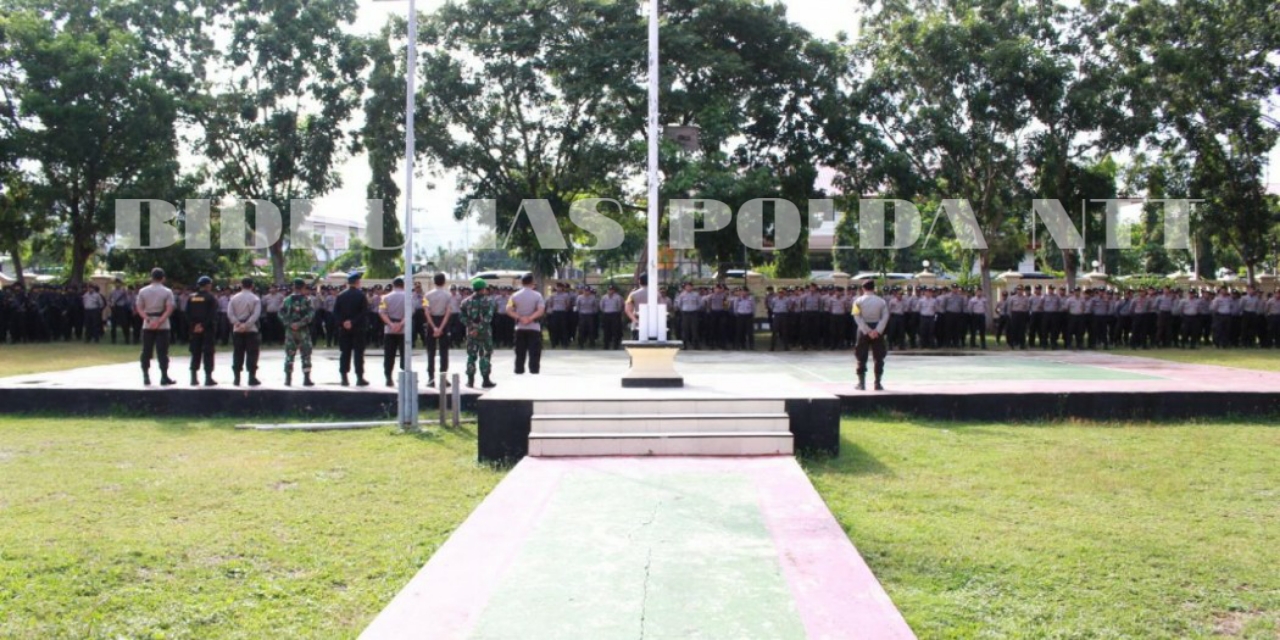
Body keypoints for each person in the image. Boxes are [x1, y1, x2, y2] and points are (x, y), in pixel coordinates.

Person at [135, 268, 177, 386]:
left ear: (151, 277)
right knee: (163, 352)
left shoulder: (143, 291)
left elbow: (139, 307)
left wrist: (147, 319)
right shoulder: (167, 291)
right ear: (163, 278)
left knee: (146, 351)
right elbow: (169, 308)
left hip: (147, 323)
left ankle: (146, 376)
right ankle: (164, 376)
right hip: (163, 324)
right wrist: (159, 321)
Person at [852, 280, 889, 391]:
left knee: (861, 357)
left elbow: (857, 317)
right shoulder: (881, 302)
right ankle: (877, 384)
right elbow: (885, 317)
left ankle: (861, 384)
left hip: (863, 330)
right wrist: (877, 331)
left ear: (863, 288)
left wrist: (867, 330)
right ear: (874, 288)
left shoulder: (857, 301)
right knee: (879, 358)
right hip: (877, 329)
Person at [335, 272, 370, 387]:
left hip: (344, 329)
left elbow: (336, 313)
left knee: (345, 353)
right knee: (358, 354)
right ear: (357, 282)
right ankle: (359, 378)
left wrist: (343, 322)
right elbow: (364, 312)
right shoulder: (361, 295)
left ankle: (344, 378)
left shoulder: (341, 295)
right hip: (358, 328)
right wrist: (353, 322)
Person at [462, 278, 498, 388]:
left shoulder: (465, 301)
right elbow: (488, 318)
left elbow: (462, 316)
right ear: (483, 289)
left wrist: (471, 328)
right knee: (485, 355)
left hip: (470, 333)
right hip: (485, 333)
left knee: (471, 356)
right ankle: (486, 380)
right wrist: (478, 329)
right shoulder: (489, 301)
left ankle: (470, 381)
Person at [280, 278, 316, 387]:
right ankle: (306, 379)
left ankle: (288, 379)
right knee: (305, 354)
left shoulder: (286, 300)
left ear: (294, 287)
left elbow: (281, 314)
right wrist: (300, 324)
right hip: (303, 331)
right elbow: (311, 315)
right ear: (303, 287)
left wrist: (290, 324)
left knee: (289, 354)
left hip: (290, 331)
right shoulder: (307, 300)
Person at [507, 273, 546, 374]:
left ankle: (519, 370)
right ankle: (534, 370)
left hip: (520, 327)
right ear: (532, 282)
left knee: (520, 351)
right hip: (534, 327)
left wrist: (520, 318)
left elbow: (508, 309)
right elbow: (541, 310)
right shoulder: (537, 295)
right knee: (534, 352)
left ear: (522, 282)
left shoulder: (514, 296)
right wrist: (530, 318)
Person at [186, 276, 219, 386]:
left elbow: (187, 313)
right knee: (208, 352)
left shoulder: (191, 297)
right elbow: (212, 315)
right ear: (208, 285)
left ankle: (193, 378)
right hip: (207, 329)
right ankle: (208, 378)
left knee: (195, 352)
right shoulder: (211, 298)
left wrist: (194, 325)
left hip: (194, 330)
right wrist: (203, 325)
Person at [229, 277, 262, 386]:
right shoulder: (255, 298)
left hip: (237, 329)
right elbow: (256, 315)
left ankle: (236, 378)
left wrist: (237, 323)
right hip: (251, 329)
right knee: (252, 353)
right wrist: (246, 325)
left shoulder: (234, 298)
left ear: (241, 285)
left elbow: (230, 314)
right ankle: (251, 377)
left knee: (237, 352)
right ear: (252, 286)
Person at [378, 276, 408, 387]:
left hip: (389, 329)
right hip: (403, 329)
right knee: (404, 354)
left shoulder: (385, 297)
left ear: (393, 285)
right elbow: (409, 313)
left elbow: (382, 312)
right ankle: (404, 377)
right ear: (403, 285)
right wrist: (400, 324)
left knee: (389, 355)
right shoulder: (408, 297)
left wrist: (391, 324)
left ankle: (388, 378)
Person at [424, 273, 452, 386]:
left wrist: (434, 327)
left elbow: (426, 312)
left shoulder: (427, 295)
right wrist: (441, 327)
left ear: (434, 282)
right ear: (444, 282)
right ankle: (443, 378)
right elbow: (448, 312)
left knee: (431, 352)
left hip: (431, 322)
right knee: (444, 352)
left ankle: (431, 378)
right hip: (443, 322)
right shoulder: (448, 295)